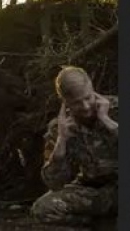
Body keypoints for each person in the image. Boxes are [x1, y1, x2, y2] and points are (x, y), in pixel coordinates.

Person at [30, 66, 118, 226]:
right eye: (77, 102)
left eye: (88, 98)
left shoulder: (117, 108)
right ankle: (103, 225)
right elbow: (54, 184)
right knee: (43, 208)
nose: (85, 106)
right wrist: (61, 141)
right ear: (65, 102)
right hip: (93, 192)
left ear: (93, 90)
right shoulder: (60, 127)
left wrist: (108, 122)